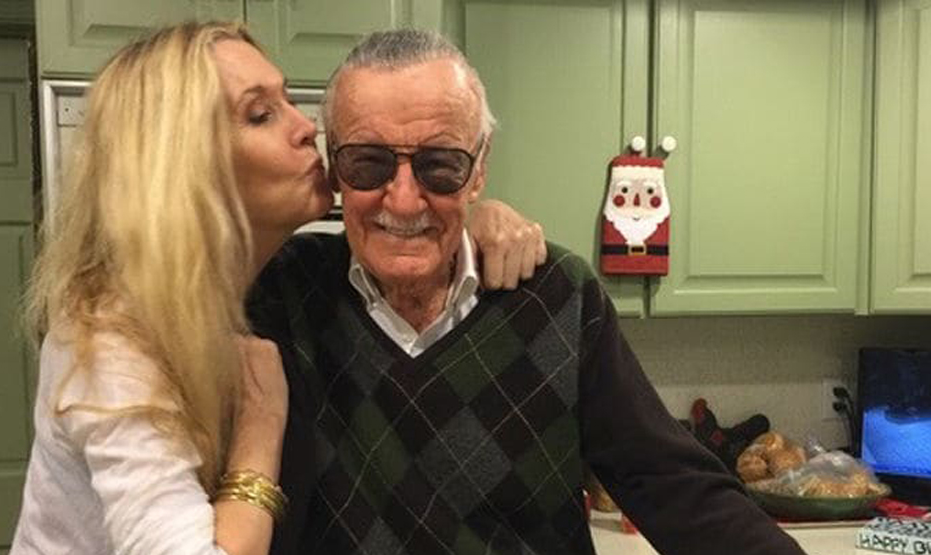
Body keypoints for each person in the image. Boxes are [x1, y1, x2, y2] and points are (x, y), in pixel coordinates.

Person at [247, 29, 809, 555]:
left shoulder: (557, 296)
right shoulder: (280, 294)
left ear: (480, 167)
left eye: (441, 166)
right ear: (333, 165)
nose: (403, 199)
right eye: (367, 163)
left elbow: (672, 485)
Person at [10, 22, 543, 555]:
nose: (307, 128)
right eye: (260, 114)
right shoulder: (114, 341)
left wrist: (469, 217)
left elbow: (415, 208)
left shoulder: (267, 288)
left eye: (288, 100)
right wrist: (259, 429)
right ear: (183, 168)